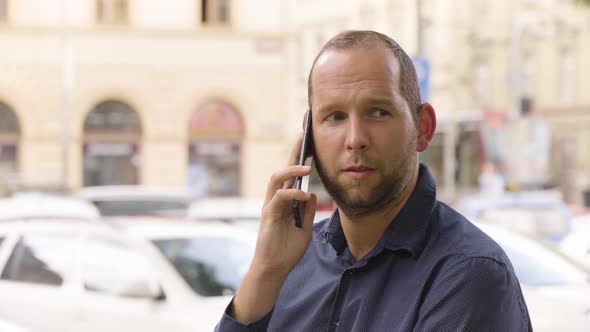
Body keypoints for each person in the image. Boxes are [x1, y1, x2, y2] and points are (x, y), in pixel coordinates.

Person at [216, 30, 532, 331]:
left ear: (423, 128)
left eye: (378, 112)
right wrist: (266, 270)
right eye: (335, 117)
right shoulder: (288, 262)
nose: (355, 139)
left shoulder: (470, 274)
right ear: (309, 135)